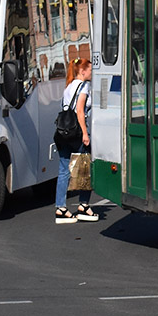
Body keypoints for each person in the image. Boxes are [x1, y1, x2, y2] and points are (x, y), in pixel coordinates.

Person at [55, 57, 98, 223]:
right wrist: (85, 134)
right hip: (77, 133)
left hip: (63, 133)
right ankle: (84, 205)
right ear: (82, 71)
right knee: (85, 169)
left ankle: (61, 208)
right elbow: (80, 111)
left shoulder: (68, 86)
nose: (91, 73)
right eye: (89, 70)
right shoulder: (84, 86)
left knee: (64, 170)